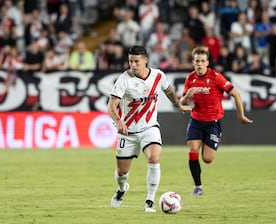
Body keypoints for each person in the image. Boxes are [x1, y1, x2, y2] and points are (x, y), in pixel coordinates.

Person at [108, 45, 191, 212]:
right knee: (122, 173)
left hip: (149, 127)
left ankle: (150, 201)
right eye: (130, 61)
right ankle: (122, 189)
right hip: (128, 132)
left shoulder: (158, 75)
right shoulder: (124, 79)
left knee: (154, 159)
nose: (132, 65)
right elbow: (111, 105)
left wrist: (179, 105)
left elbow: (169, 91)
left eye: (136, 61)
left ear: (145, 60)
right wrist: (118, 121)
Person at [180, 46, 253, 196]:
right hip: (196, 120)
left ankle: (210, 142)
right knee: (193, 150)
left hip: (213, 121)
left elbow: (236, 94)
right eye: (196, 61)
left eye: (202, 61)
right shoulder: (190, 78)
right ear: (193, 63)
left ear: (207, 62)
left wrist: (241, 115)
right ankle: (198, 187)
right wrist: (187, 96)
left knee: (207, 159)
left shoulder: (216, 77)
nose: (199, 64)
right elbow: (182, 103)